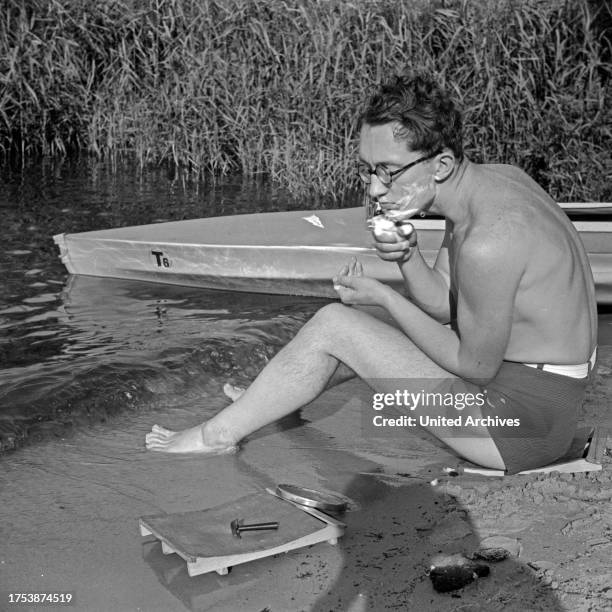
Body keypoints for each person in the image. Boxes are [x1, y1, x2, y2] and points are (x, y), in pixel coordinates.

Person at [145, 71, 598, 474]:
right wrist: (407, 257)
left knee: (336, 323)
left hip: (517, 427)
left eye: (388, 171)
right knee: (368, 327)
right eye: (368, 169)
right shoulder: (496, 184)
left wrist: (385, 296)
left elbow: (474, 366)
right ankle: (271, 397)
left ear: (439, 165)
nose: (376, 188)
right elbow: (443, 301)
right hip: (540, 401)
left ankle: (215, 436)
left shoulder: (490, 239)